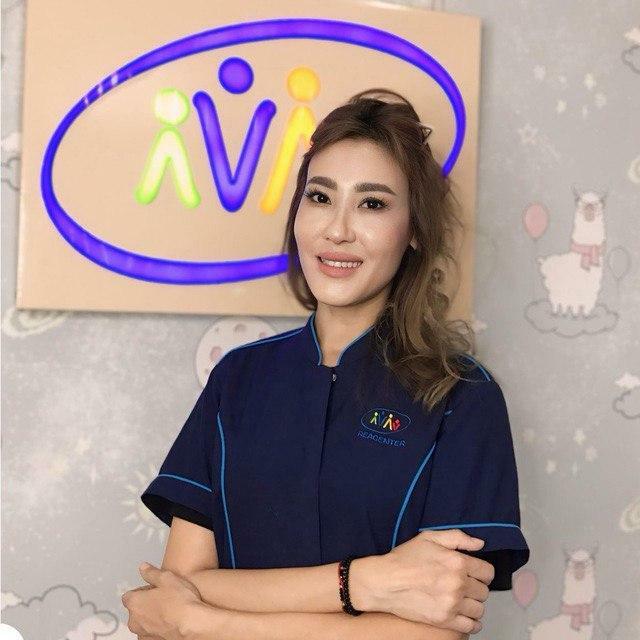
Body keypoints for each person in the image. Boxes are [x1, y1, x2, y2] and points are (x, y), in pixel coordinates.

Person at [126, 88, 530, 640]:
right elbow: (177, 588)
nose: (337, 230)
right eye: (319, 197)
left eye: (372, 204)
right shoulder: (238, 380)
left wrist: (204, 621)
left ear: (414, 230)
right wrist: (365, 584)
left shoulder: (462, 396)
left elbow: (434, 626)